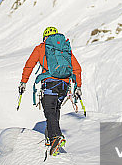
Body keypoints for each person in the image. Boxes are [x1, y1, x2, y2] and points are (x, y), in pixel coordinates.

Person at [18, 26, 82, 154]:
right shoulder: (64, 49)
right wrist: (78, 86)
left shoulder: (41, 48)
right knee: (55, 109)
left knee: (49, 110)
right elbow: (77, 68)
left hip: (50, 84)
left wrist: (23, 82)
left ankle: (56, 136)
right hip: (64, 86)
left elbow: (29, 65)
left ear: (44, 38)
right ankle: (50, 138)